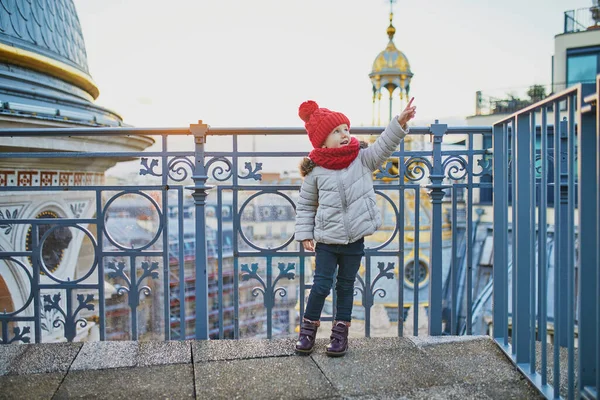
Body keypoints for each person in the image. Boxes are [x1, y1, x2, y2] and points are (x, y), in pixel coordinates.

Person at [294, 98, 416, 356]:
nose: (344, 134)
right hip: (327, 241)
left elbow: (383, 147)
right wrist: (305, 234)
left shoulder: (361, 158)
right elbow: (306, 205)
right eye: (336, 131)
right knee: (320, 286)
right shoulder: (315, 171)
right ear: (322, 141)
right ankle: (308, 331)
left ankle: (340, 335)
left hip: (354, 240)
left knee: (346, 286)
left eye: (345, 129)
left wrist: (399, 123)